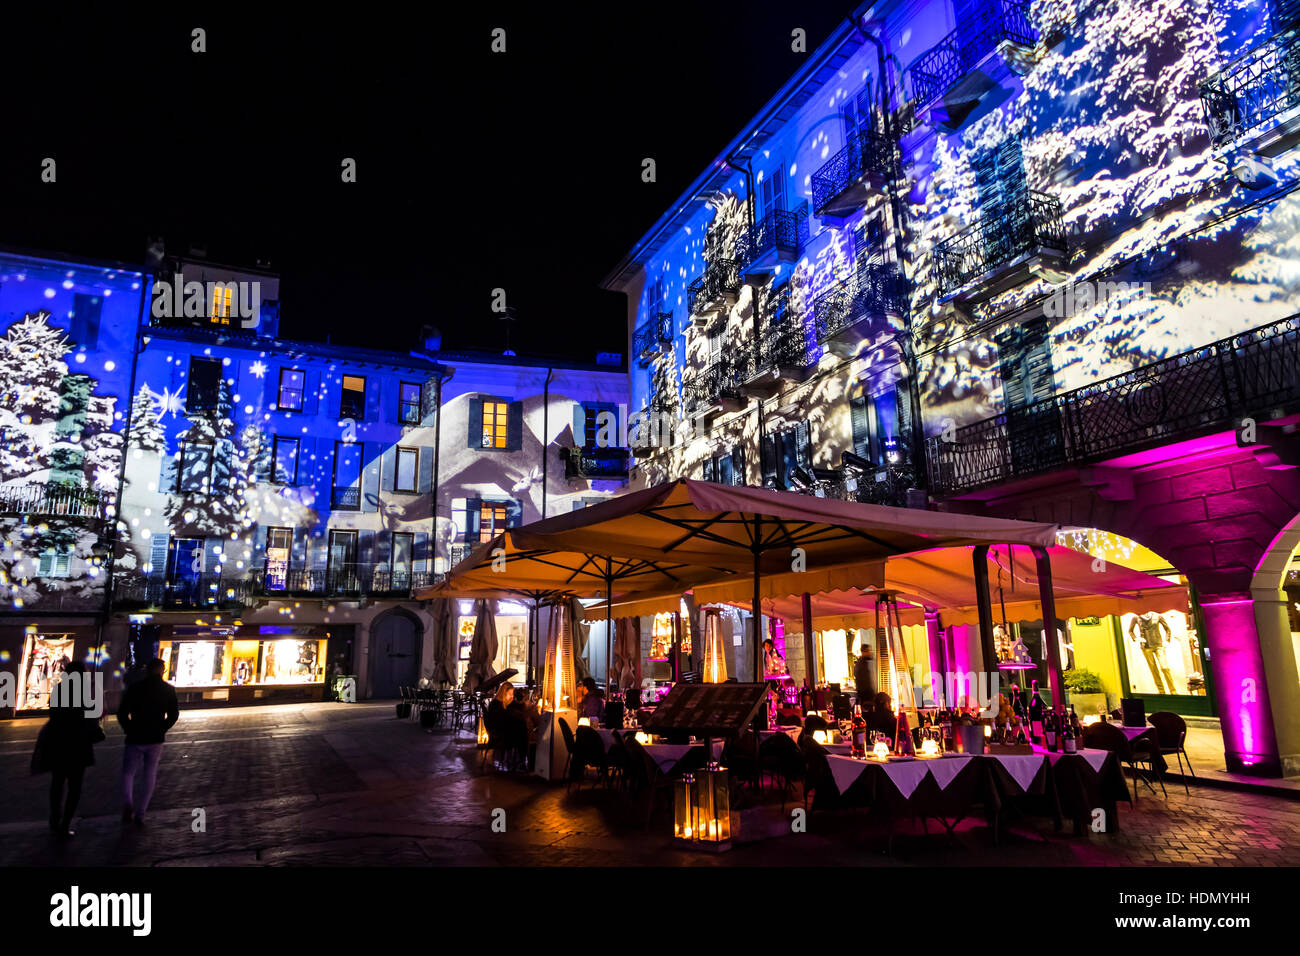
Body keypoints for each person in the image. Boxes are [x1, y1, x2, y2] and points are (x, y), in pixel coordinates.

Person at [36, 661, 104, 838]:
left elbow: (52, 713)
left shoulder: (59, 688)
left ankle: (54, 818)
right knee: (75, 787)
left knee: (57, 783)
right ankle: (65, 824)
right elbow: (91, 717)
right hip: (78, 745)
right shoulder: (85, 692)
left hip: (58, 742)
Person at [117, 657, 179, 826]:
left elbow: (122, 712)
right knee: (150, 774)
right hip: (155, 737)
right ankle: (141, 812)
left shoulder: (135, 688)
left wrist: (128, 728)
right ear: (162, 670)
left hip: (135, 735)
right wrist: (163, 728)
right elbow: (173, 715)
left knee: (128, 773)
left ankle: (128, 803)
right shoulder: (168, 690)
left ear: (147, 670)